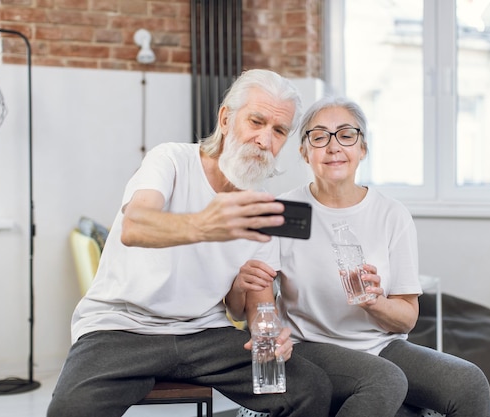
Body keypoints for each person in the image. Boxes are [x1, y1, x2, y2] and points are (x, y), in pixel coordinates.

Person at [46, 69, 332, 417]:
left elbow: (256, 298)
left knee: (310, 388)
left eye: (278, 131)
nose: (264, 139)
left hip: (204, 333)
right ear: (226, 119)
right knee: (69, 411)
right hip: (121, 328)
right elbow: (134, 225)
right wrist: (204, 225)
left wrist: (265, 335)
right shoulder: (171, 160)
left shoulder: (262, 207)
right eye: (256, 121)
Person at [228, 96, 490, 417]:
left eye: (346, 135)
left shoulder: (391, 214)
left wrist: (375, 302)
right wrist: (266, 339)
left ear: (362, 149)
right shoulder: (284, 213)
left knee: (469, 383)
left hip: (382, 346)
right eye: (320, 136)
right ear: (304, 152)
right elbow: (259, 298)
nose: (334, 146)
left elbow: (407, 316)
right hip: (310, 345)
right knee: (385, 381)